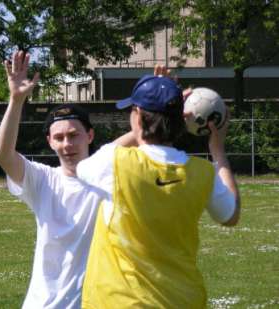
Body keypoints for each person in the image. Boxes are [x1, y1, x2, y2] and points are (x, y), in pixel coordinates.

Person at [77, 72, 241, 308]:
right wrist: (218, 150)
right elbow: (230, 215)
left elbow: (84, 167)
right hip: (184, 299)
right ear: (180, 121)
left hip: (120, 301)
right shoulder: (203, 172)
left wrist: (143, 124)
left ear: (139, 117)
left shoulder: (115, 163)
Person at [0, 51, 106, 309]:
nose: (67, 144)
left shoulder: (109, 176)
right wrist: (16, 100)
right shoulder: (43, 179)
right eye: (59, 137)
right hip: (43, 304)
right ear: (49, 142)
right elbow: (3, 155)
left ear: (90, 136)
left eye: (74, 135)